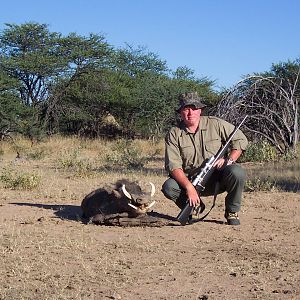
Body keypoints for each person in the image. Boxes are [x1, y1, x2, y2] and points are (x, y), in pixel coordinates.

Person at [161, 92, 248, 225]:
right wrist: (189, 188)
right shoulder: (174, 133)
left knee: (237, 172)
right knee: (169, 186)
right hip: (192, 182)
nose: (190, 113)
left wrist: (228, 160)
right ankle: (192, 207)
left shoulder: (215, 123)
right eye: (186, 109)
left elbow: (240, 139)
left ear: (200, 110)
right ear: (180, 112)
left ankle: (232, 211)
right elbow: (174, 166)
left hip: (219, 178)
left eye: (194, 109)